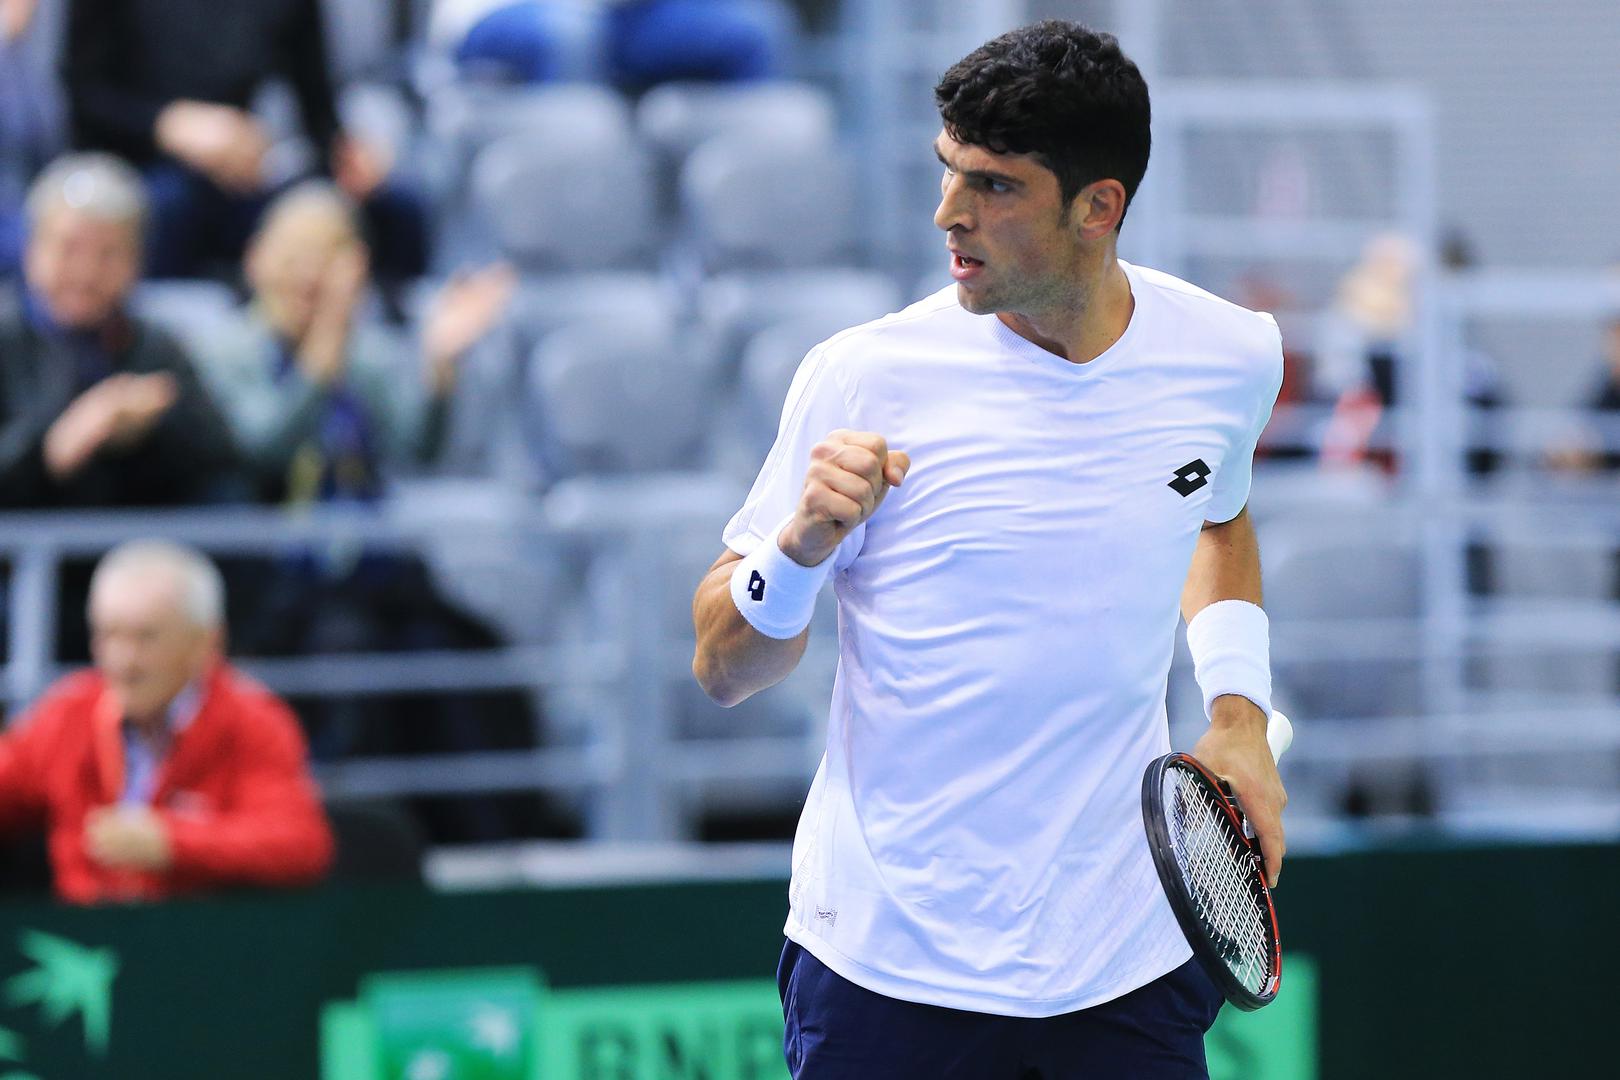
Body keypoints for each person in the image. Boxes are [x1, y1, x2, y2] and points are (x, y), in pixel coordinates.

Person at [691, 22, 1286, 1078]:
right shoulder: (861, 375)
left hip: (1128, 963)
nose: (949, 213)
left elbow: (1213, 511)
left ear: (1097, 207)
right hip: (888, 971)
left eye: (995, 186)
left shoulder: (1229, 357)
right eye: (948, 169)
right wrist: (799, 551)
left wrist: (1237, 714)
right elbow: (723, 668)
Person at [0, 541, 334, 904]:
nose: (124, 660)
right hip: (84, 934)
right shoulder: (69, 712)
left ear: (205, 643)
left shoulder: (253, 721)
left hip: (199, 932)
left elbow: (299, 844)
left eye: (146, 637)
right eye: (108, 634)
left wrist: (171, 843)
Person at [191, 180, 512, 504]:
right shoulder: (222, 351)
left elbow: (416, 452)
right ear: (255, 258)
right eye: (293, 255)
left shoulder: (368, 354)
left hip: (360, 528)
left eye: (325, 255)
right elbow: (263, 450)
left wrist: (438, 364)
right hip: (252, 529)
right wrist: (326, 345)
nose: (308, 274)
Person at [61, 0, 425, 282]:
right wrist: (167, 124)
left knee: (393, 212)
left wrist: (346, 152)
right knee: (168, 206)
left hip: (242, 175)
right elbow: (83, 98)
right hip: (137, 164)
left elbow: (317, 109)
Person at [0, 152, 239, 509]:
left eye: (108, 254)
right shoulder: (7, 338)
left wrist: (153, 427)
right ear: (32, 249)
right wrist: (54, 448)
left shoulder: (154, 347)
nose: (85, 273)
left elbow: (224, 466)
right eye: (69, 249)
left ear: (138, 261)